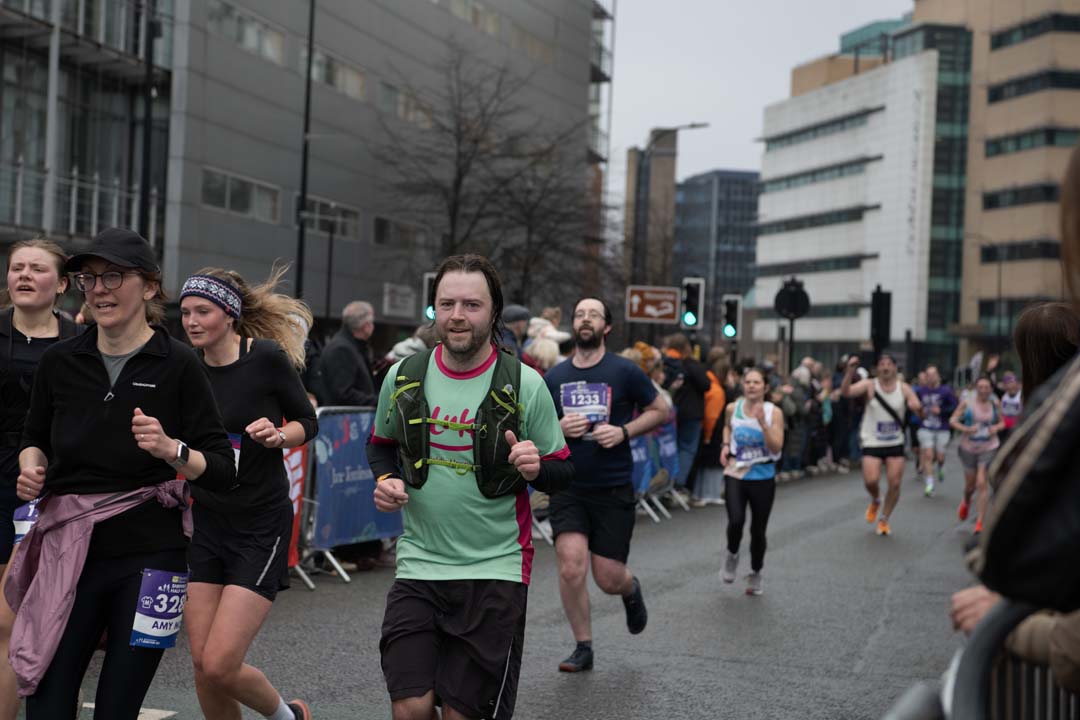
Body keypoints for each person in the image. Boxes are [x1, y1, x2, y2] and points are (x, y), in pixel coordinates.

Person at [11, 228, 235, 718]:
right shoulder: (60, 361)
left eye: (114, 275)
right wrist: (33, 469)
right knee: (46, 705)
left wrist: (171, 449)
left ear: (150, 287)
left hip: (154, 561)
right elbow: (35, 439)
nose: (99, 288)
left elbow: (221, 468)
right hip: (69, 551)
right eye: (88, 278)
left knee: (117, 710)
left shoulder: (178, 364)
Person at [367, 254, 572, 720]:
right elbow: (380, 445)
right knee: (409, 708)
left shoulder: (525, 383)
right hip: (419, 566)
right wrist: (386, 478)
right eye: (447, 304)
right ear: (434, 310)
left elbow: (564, 472)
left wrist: (536, 466)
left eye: (471, 305)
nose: (457, 316)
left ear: (493, 313)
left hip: (495, 571)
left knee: (464, 713)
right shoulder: (402, 377)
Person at [179, 267, 318, 720]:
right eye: (185, 313)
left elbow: (307, 422)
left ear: (230, 315)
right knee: (203, 666)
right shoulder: (185, 367)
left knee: (221, 662)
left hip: (260, 523)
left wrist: (280, 435)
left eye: (203, 311)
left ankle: (287, 717)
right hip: (208, 521)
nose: (192, 321)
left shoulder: (266, 358)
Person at [544, 300, 667, 673]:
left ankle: (630, 590)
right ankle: (583, 646)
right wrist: (558, 428)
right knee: (570, 566)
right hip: (569, 486)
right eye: (579, 314)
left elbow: (661, 409)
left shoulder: (625, 371)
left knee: (608, 577)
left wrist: (624, 430)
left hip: (613, 487)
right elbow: (536, 423)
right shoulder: (555, 376)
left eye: (593, 315)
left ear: (606, 327)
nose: (585, 319)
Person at [0, 239, 81, 720]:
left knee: (51, 620)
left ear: (63, 284)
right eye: (16, 268)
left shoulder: (80, 343)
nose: (24, 275)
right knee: (5, 623)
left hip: (59, 486)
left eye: (37, 269)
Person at [841, 352, 922, 536]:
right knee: (871, 480)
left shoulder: (904, 387)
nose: (885, 367)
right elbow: (846, 392)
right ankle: (876, 498)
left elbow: (916, 404)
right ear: (877, 368)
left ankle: (884, 519)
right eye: (882, 364)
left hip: (895, 440)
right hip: (872, 439)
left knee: (894, 483)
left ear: (895, 367)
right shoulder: (870, 385)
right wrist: (849, 372)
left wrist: (916, 407)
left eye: (889, 364)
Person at [720, 368, 784, 595]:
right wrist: (726, 445)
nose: (751, 386)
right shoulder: (732, 408)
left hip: (762, 474)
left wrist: (763, 425)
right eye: (748, 382)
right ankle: (732, 554)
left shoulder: (773, 412)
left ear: (765, 387)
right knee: (736, 520)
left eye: (757, 382)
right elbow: (727, 426)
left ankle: (756, 572)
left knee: (758, 530)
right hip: (736, 471)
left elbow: (777, 446)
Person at [950, 376, 1003, 535]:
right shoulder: (968, 403)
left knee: (982, 483)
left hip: (989, 446)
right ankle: (966, 501)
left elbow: (1002, 421)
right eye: (980, 387)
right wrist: (966, 429)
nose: (984, 390)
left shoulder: (995, 403)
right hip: (968, 447)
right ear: (976, 389)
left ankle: (980, 522)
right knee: (970, 486)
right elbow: (952, 420)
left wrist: (996, 428)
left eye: (987, 387)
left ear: (991, 389)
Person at [662, 334, 710, 494]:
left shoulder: (665, 363)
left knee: (669, 447)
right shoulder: (690, 364)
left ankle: (663, 483)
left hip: (669, 412)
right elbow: (705, 384)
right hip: (691, 413)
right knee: (687, 448)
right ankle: (677, 484)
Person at [314, 299, 377, 407]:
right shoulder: (342, 349)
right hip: (344, 421)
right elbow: (343, 393)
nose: (373, 326)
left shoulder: (351, 346)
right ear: (366, 325)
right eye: (372, 322)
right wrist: (377, 401)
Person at [693, 348, 729, 507]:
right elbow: (712, 416)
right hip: (712, 432)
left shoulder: (709, 382)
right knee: (713, 464)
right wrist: (708, 435)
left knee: (704, 464)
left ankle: (700, 492)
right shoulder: (717, 390)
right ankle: (710, 493)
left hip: (706, 431)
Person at [915, 365, 958, 497]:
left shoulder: (946, 391)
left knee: (940, 456)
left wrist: (942, 411)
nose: (931, 377)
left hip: (942, 428)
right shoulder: (921, 391)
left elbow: (955, 407)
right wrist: (919, 412)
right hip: (925, 427)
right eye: (928, 375)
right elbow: (914, 405)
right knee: (928, 455)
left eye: (933, 374)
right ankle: (929, 485)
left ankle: (941, 465)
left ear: (938, 375)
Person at [998, 372, 1022, 445]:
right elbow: (1000, 411)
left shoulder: (1021, 395)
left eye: (1012, 383)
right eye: (1007, 384)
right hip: (1004, 426)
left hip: (1016, 426)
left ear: (1017, 384)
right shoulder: (1003, 396)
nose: (1010, 386)